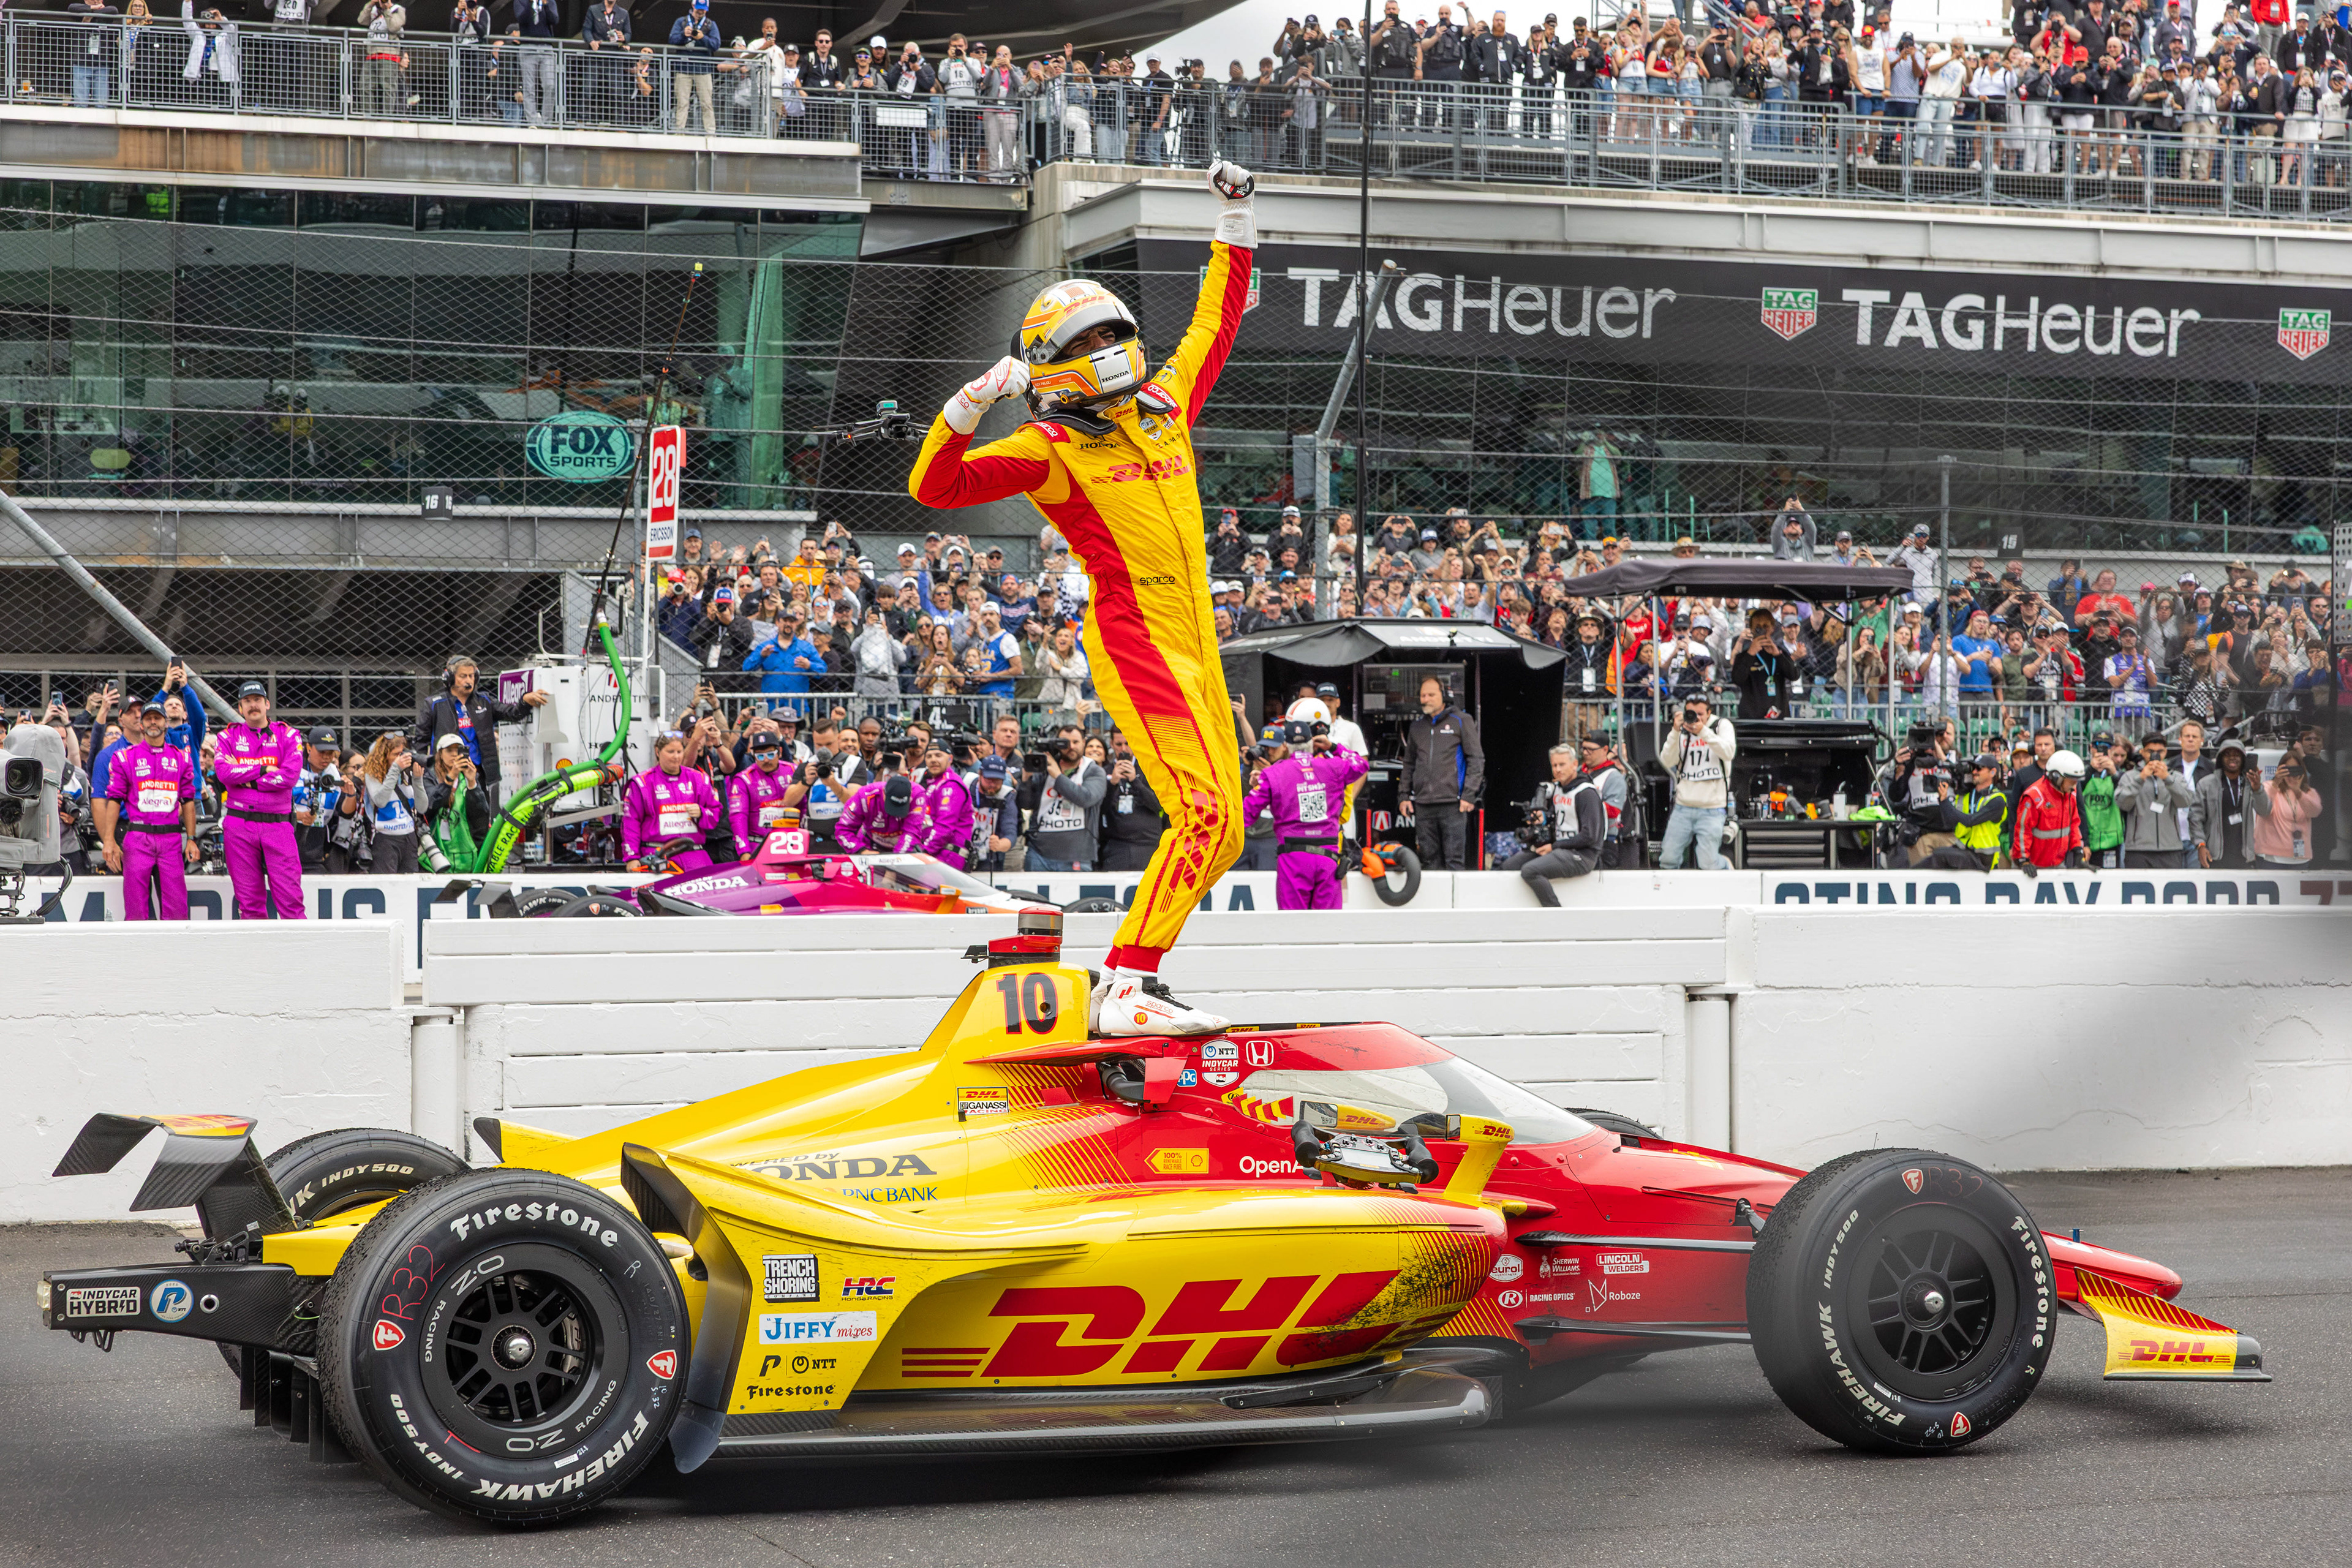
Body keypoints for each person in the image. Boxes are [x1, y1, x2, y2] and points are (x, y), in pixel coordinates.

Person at [907, 160, 1260, 1035]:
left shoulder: (1164, 405)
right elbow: (933, 488)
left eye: (1113, 334)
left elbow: (1215, 324)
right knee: (1206, 813)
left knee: (1226, 833)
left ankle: (1128, 982)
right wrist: (972, 400)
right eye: (1084, 344)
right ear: (1047, 367)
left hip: (1198, 638)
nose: (1106, 352)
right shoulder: (1046, 446)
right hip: (1135, 633)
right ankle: (1125, 987)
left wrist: (1237, 220)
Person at [1243, 718, 1367, 910]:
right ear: (1312, 743)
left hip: (1293, 859)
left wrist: (1262, 788)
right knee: (1328, 929)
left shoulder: (1273, 774)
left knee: (1293, 928)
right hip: (1328, 859)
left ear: (1286, 745)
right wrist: (1333, 747)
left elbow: (1246, 814)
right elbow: (1360, 764)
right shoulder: (1333, 767)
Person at [96, 699, 198, 921]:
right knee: (135, 910)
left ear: (166, 723)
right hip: (138, 838)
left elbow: (189, 800)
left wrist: (191, 838)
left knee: (177, 910)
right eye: (148, 718)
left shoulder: (182, 758)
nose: (153, 722)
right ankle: (136, 955)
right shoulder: (124, 757)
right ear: (141, 725)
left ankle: (173, 954)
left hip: (171, 838)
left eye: (157, 718)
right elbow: (113, 800)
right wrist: (109, 840)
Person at [213, 679, 306, 919]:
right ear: (241, 708)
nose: (252, 705)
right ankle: (256, 957)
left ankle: (299, 955)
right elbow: (224, 774)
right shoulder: (227, 736)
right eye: (247, 701)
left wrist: (246, 777)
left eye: (257, 700)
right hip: (239, 825)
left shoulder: (289, 735)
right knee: (249, 904)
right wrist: (265, 770)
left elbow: (289, 778)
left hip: (278, 824)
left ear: (267, 704)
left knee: (291, 900)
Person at [412, 654, 549, 810]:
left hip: (479, 771)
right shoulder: (434, 704)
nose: (468, 680)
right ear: (450, 678)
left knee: (480, 814)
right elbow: (421, 740)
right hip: (447, 770)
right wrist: (425, 769)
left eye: (471, 676)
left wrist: (525, 701)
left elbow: (512, 714)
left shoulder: (485, 700)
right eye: (463, 676)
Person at [1503, 744, 1606, 905]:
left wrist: (1554, 846)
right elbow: (1556, 817)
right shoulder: (1558, 789)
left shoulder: (1586, 793)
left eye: (1562, 765)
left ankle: (1555, 913)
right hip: (1559, 848)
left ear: (1574, 765)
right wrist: (1542, 818)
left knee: (1530, 871)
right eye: (1554, 765)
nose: (1557, 769)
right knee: (1509, 866)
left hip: (1582, 855)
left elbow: (1590, 836)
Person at [1400, 674, 1483, 870]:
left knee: (1454, 860)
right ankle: (1435, 902)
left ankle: (1455, 902)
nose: (1426, 699)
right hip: (1423, 804)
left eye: (1431, 695)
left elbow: (1476, 759)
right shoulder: (1417, 726)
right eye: (1423, 695)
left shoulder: (1461, 720)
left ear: (1443, 695)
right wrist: (1403, 796)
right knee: (1429, 861)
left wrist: (1469, 795)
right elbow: (1409, 763)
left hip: (1453, 804)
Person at [622, 732, 721, 872]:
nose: (676, 757)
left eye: (680, 752)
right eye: (670, 752)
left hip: (694, 856)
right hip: (656, 856)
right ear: (658, 752)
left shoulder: (698, 779)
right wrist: (632, 857)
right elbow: (631, 822)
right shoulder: (642, 783)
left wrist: (702, 813)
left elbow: (715, 814)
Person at [1657, 693, 1736, 869]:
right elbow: (1666, 762)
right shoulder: (1682, 731)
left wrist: (1703, 732)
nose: (1696, 718)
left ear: (1709, 713)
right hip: (1683, 807)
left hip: (1712, 808)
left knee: (1708, 863)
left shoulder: (1720, 726)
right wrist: (1675, 732)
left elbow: (1729, 752)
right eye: (1691, 713)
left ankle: (1725, 866)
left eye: (1700, 714)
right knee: (1668, 859)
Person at [1022, 726, 1105, 871]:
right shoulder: (1044, 767)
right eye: (1065, 743)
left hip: (1077, 855)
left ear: (1084, 743)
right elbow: (1026, 804)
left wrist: (1057, 776)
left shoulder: (1094, 771)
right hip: (1039, 854)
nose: (1071, 747)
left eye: (1075, 742)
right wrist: (1026, 780)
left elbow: (1085, 799)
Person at [2116, 732, 2195, 867]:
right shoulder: (2129, 777)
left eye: (2160, 752)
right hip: (2138, 850)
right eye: (2150, 751)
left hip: (2171, 849)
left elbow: (2186, 802)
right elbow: (2123, 804)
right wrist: (2140, 778)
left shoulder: (2176, 777)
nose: (2155, 755)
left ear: (2166, 752)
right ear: (2142, 752)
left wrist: (2167, 779)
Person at [420, 732, 493, 871]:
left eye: (458, 750)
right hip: (436, 848)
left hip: (465, 848)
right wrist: (450, 778)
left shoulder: (469, 776)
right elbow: (430, 805)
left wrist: (472, 784)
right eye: (449, 750)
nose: (454, 754)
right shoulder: (429, 776)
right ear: (440, 754)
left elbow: (481, 815)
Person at [2011, 745, 2087, 872]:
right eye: (2072, 780)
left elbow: (2074, 824)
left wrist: (2078, 851)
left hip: (2057, 864)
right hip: (2032, 865)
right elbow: (2023, 830)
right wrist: (2023, 860)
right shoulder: (2035, 797)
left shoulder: (2070, 794)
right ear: (2057, 777)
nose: (2075, 785)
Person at [359, 731, 423, 875]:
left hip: (409, 837)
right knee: (387, 885)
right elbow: (380, 801)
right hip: (386, 838)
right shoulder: (373, 774)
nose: (400, 758)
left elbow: (422, 807)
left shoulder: (407, 774)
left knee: (409, 886)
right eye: (396, 754)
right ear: (384, 756)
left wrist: (418, 781)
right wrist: (395, 769)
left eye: (402, 754)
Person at [2191, 735, 2260, 868]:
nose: (2232, 758)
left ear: (2243, 759)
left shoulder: (2250, 783)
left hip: (2244, 856)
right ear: (2221, 759)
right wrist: (2200, 845)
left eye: (2237, 755)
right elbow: (2195, 818)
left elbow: (2265, 810)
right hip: (2214, 856)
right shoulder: (2206, 784)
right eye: (2228, 755)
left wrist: (2258, 789)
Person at [1100, 734, 1165, 871]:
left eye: (1127, 743)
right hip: (1117, 846)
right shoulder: (1104, 771)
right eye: (1119, 744)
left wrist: (1135, 781)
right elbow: (1100, 811)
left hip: (1148, 844)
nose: (1124, 749)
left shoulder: (1149, 769)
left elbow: (1158, 805)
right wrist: (1113, 784)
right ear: (1111, 744)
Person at [728, 729, 797, 853]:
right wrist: (744, 850)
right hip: (759, 846)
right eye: (760, 756)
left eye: (770, 754)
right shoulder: (744, 779)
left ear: (779, 752)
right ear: (754, 756)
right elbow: (738, 817)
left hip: (793, 844)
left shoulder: (793, 770)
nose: (766, 760)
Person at [912, 741, 975, 868]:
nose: (933, 760)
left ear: (950, 759)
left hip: (948, 855)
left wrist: (924, 851)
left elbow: (944, 827)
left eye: (938, 755)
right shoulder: (932, 783)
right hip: (936, 854)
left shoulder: (951, 785)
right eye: (929, 757)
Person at [2252, 752, 2320, 866]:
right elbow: (2262, 809)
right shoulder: (2268, 787)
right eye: (2287, 770)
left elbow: (2315, 812)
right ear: (2280, 769)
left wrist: (2298, 791)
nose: (2290, 774)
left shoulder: (2308, 792)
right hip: (2271, 857)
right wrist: (2276, 784)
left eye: (2295, 770)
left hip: (2300, 858)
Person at [835, 771, 924, 853]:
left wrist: (897, 862)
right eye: (892, 804)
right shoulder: (865, 796)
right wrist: (861, 851)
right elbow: (843, 829)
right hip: (870, 844)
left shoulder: (918, 795)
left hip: (904, 846)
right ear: (884, 792)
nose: (895, 812)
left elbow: (912, 832)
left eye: (900, 806)